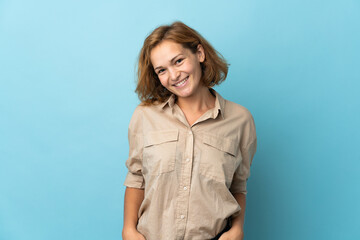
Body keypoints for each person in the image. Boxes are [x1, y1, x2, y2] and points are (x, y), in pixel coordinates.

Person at [122, 21, 257, 240]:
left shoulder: (240, 120)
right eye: (162, 70)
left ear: (200, 53)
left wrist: (237, 229)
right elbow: (136, 178)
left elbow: (238, 185)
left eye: (178, 61)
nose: (174, 75)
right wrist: (128, 230)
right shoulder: (144, 116)